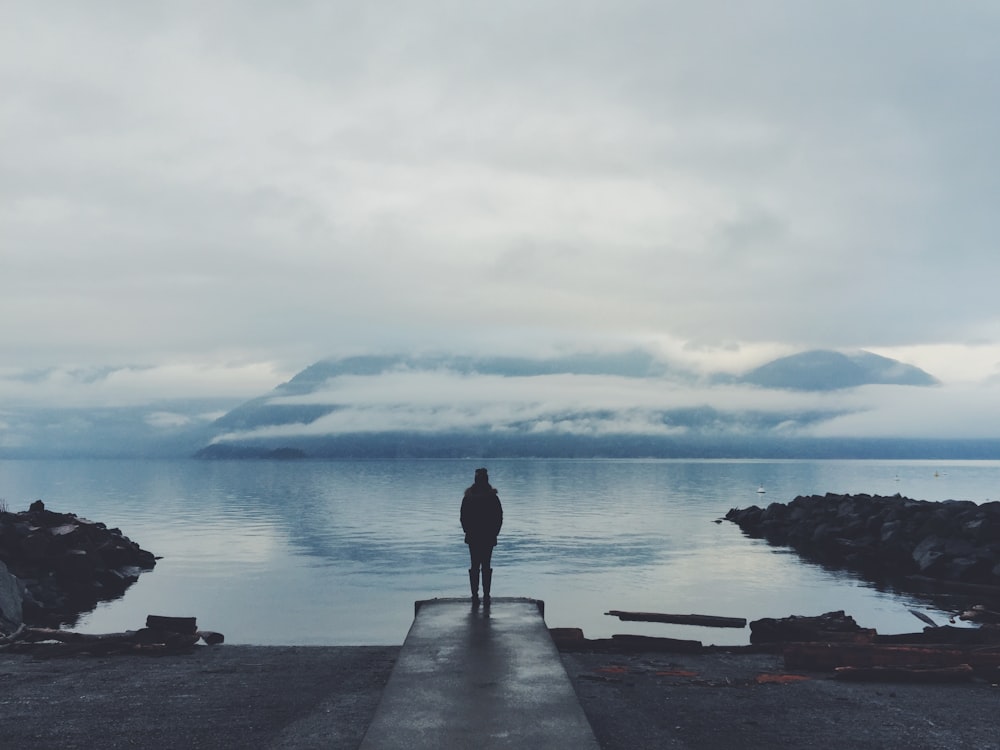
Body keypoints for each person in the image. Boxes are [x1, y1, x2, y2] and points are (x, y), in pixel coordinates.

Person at [460, 467, 503, 605]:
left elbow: (463, 517)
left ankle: (475, 595)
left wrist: (467, 531)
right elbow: (499, 518)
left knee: (474, 565)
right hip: (487, 537)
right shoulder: (493, 498)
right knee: (486, 565)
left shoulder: (468, 498)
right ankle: (486, 595)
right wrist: (494, 533)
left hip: (473, 537)